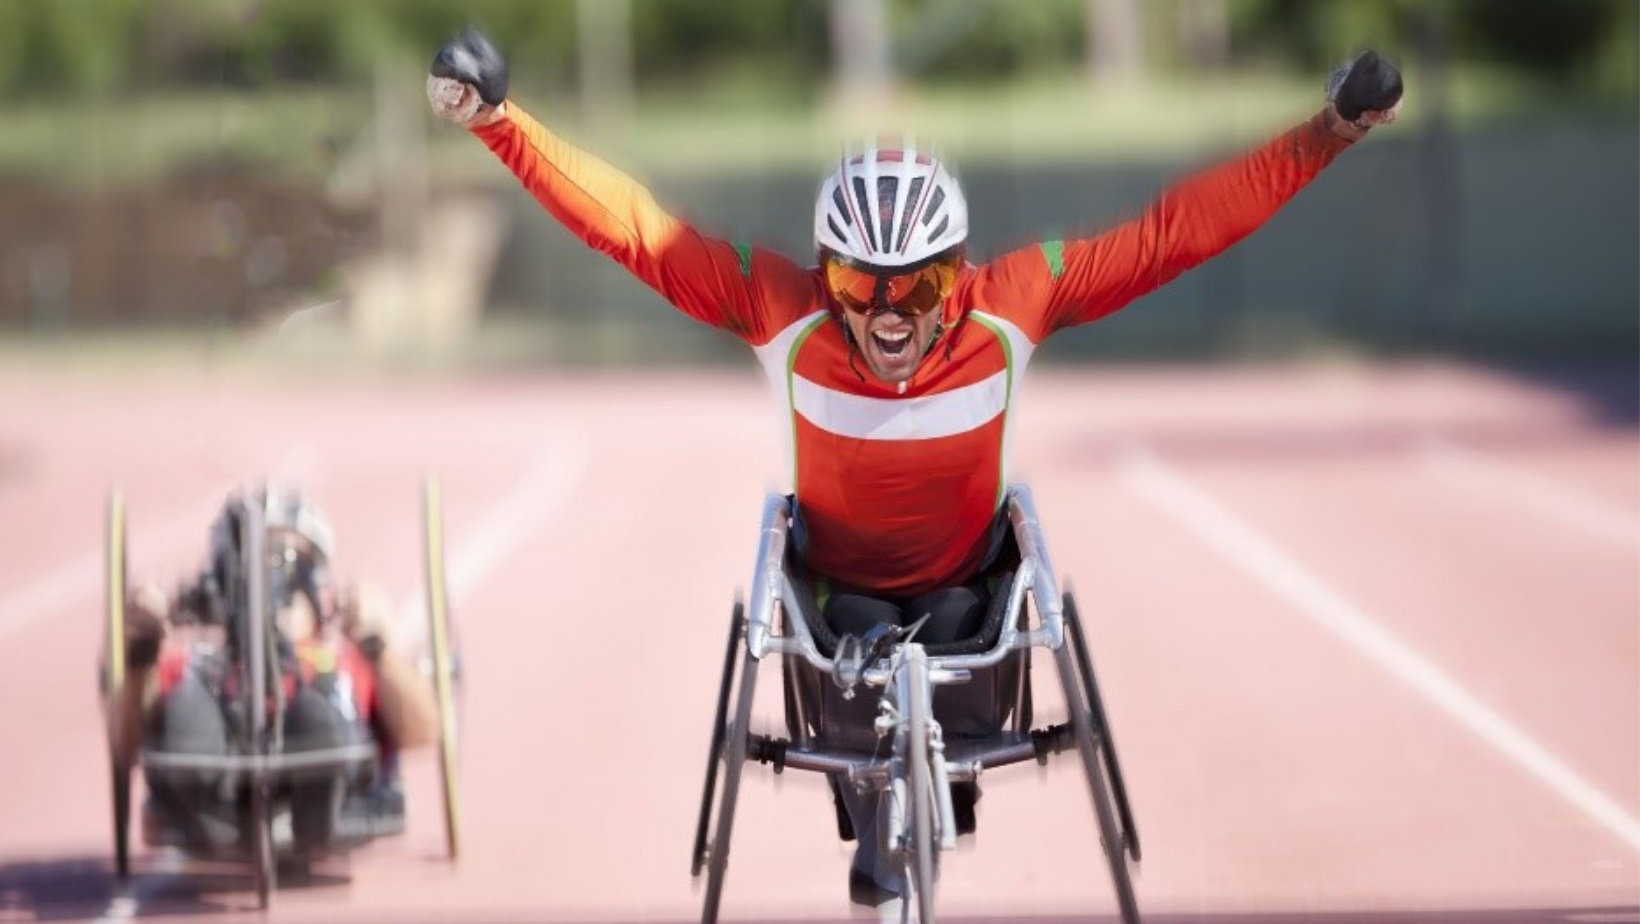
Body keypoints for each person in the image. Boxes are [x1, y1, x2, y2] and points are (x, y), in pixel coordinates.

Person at [426, 25, 1402, 904]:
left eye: (918, 284)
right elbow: (633, 226)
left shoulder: (1015, 299)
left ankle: (910, 797)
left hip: (964, 593)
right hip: (834, 595)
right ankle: (885, 806)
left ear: (957, 271)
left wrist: (1325, 133)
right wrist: (500, 123)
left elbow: (1173, 233)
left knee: (944, 632)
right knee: (853, 630)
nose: (888, 312)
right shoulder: (778, 308)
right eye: (859, 282)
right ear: (825, 271)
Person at [108, 487, 439, 854]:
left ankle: (317, 806)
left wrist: (380, 648)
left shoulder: (349, 657)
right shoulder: (190, 663)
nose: (268, 583)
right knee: (187, 711)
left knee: (317, 713)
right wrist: (140, 658)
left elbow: (422, 730)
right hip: (216, 760)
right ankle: (211, 811)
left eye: (285, 564)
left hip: (326, 740)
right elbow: (127, 745)